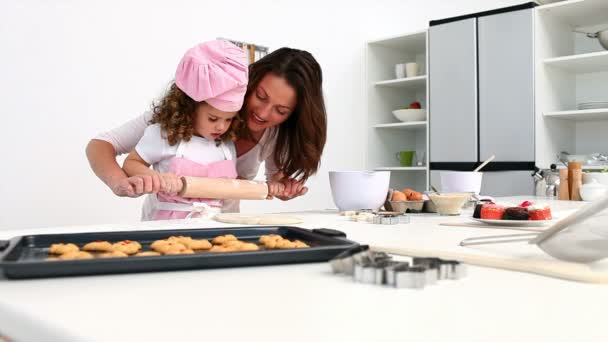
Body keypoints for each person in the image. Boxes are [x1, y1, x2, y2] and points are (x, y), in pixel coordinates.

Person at [86, 45, 327, 212]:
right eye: (260, 96)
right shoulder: (180, 119)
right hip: (168, 224)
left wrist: (283, 187)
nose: (263, 113)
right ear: (249, 83)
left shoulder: (274, 134)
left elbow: (273, 179)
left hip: (225, 228)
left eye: (281, 111)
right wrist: (120, 182)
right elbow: (101, 145)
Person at [122, 40, 284, 220]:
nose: (221, 126)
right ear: (190, 109)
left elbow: (229, 193)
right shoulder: (163, 135)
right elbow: (131, 163)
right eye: (213, 118)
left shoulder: (224, 147)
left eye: (229, 119)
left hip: (213, 227)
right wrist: (154, 178)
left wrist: (267, 188)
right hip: (165, 226)